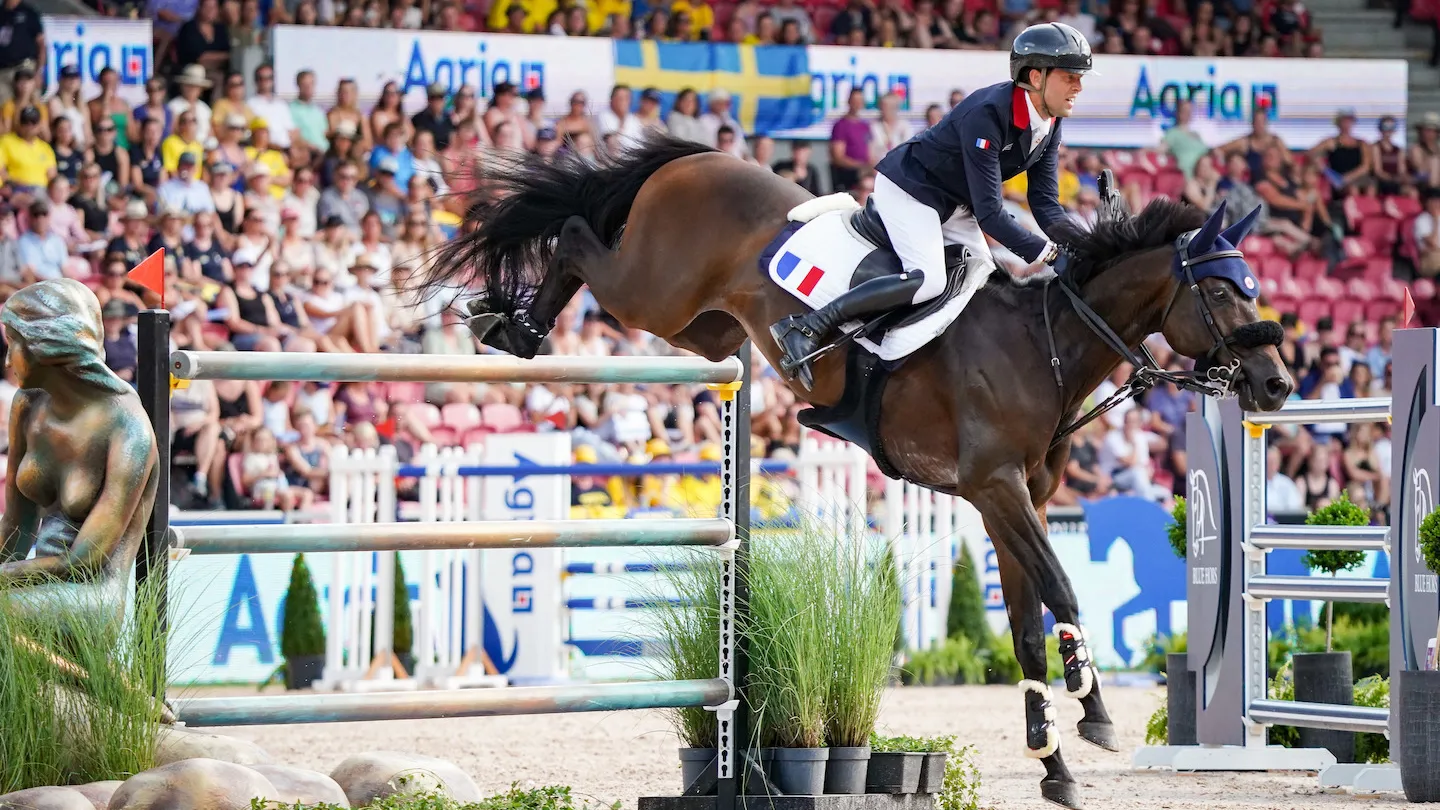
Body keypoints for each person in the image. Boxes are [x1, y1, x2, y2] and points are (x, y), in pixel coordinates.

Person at [770, 22, 1093, 389]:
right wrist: (1050, 255)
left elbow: (1046, 204)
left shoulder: (1050, 123)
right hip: (911, 189)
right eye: (1070, 76)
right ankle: (807, 326)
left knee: (985, 283)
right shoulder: (987, 114)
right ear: (1036, 76)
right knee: (928, 279)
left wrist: (1085, 245)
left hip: (953, 202)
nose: (1079, 87)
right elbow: (990, 213)